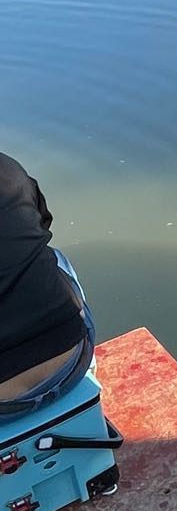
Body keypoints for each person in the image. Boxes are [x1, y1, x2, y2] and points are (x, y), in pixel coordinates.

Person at [0, 152, 94, 412]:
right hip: (72, 362)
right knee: (53, 256)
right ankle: (91, 373)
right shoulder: (6, 169)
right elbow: (43, 224)